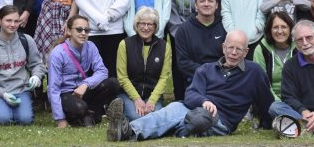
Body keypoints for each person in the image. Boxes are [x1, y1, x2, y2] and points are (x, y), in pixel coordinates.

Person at [106, 31, 273, 141]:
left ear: (246, 52)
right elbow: (191, 95)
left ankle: (179, 129)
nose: (234, 53)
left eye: (239, 49)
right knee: (169, 112)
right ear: (223, 48)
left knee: (200, 118)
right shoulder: (206, 69)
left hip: (221, 121)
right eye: (231, 48)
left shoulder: (255, 72)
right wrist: (204, 101)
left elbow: (266, 101)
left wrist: (272, 122)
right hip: (194, 108)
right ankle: (129, 130)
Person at [0, 5, 46, 125]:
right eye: (8, 20)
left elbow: (37, 64)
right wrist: (3, 94)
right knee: (2, 120)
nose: (13, 24)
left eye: (16, 21)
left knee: (25, 120)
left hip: (21, 90)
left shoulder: (26, 40)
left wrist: (36, 76)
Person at [47, 16, 121, 128]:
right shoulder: (57, 53)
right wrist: (60, 119)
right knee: (80, 108)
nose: (83, 33)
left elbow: (102, 71)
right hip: (65, 94)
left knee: (113, 83)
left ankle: (89, 115)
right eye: (79, 29)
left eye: (86, 30)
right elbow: (53, 88)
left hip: (83, 90)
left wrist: (86, 84)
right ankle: (90, 115)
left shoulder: (91, 47)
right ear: (68, 31)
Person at [116, 8, 173, 121]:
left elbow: (164, 78)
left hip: (152, 95)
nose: (146, 27)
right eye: (142, 23)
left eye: (150, 24)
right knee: (136, 116)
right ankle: (121, 111)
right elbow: (122, 77)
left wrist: (152, 101)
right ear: (136, 25)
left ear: (155, 26)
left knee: (156, 117)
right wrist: (137, 99)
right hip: (129, 95)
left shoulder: (164, 46)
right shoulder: (125, 44)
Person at [172, 0, 227, 101]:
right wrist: (208, 73)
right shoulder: (184, 30)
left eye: (210, 1)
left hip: (222, 79)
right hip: (195, 79)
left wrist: (217, 74)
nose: (206, 4)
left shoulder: (225, 26)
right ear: (196, 6)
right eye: (202, 1)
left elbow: (230, 57)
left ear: (217, 5)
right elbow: (183, 63)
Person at [252, 12, 296, 101]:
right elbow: (261, 83)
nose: (280, 31)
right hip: (270, 100)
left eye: (284, 27)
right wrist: (278, 102)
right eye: (275, 27)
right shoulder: (261, 49)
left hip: (296, 99)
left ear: (290, 29)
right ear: (270, 30)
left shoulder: (299, 48)